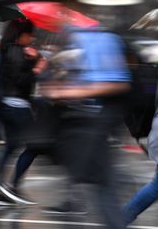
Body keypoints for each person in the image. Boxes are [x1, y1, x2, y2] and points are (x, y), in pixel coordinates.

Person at [40, 27, 130, 228]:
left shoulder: (101, 38)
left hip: (93, 126)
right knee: (100, 190)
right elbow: (51, 85)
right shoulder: (70, 40)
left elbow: (118, 83)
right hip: (76, 127)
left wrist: (72, 92)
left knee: (104, 191)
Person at [0, 19, 46, 205]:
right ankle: (12, 186)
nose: (32, 38)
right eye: (30, 35)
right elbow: (21, 81)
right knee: (36, 145)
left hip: (6, 106)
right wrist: (37, 69)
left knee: (11, 146)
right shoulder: (17, 51)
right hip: (18, 106)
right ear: (21, 35)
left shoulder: (6, 50)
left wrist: (34, 59)